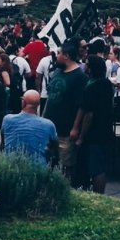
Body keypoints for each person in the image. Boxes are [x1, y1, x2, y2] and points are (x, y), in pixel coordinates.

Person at [44, 38, 87, 184]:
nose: (57, 56)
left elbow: (81, 106)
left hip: (65, 129)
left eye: (59, 53)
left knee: (66, 165)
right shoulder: (57, 71)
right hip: (50, 127)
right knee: (49, 161)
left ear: (67, 56)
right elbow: (50, 97)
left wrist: (75, 127)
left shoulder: (79, 76)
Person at [76, 56, 114, 194]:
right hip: (105, 128)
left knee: (96, 167)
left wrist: (81, 136)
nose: (85, 67)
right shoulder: (107, 84)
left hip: (94, 132)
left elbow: (89, 114)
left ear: (91, 68)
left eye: (87, 65)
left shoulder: (92, 86)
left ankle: (98, 195)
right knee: (100, 165)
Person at [2, 90, 57, 166]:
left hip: (10, 166)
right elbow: (54, 146)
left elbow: (4, 138)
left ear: (23, 102)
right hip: (37, 168)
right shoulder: (48, 124)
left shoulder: (7, 119)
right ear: (38, 105)